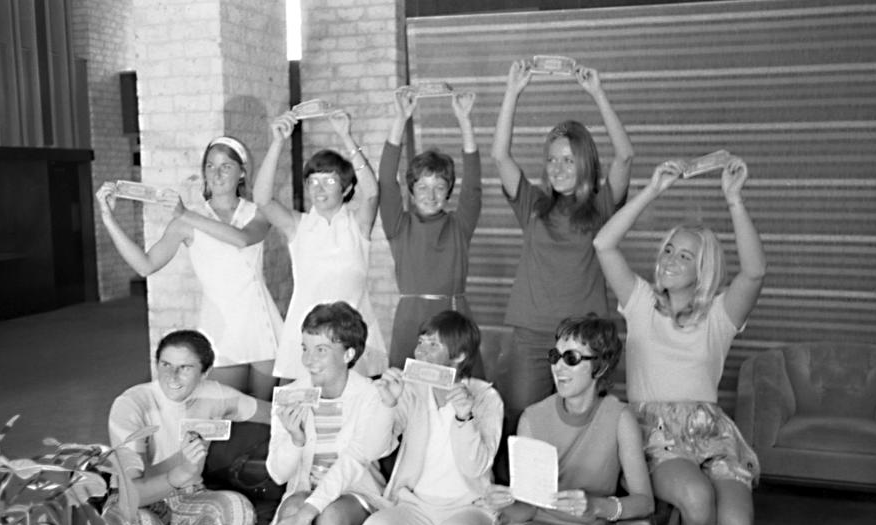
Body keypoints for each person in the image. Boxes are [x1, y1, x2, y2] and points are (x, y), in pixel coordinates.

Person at [592, 156, 765, 525]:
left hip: (711, 430)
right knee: (695, 498)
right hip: (656, 431)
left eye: (684, 255)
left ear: (704, 268)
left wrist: (733, 199)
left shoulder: (721, 316)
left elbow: (753, 272)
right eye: (668, 249)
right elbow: (604, 242)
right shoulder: (641, 303)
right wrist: (651, 191)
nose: (669, 259)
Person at [489, 59, 635, 458]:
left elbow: (625, 157)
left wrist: (597, 92)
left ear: (585, 163)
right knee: (520, 428)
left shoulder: (602, 205)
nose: (558, 168)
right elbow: (500, 155)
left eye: (568, 160)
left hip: (584, 341)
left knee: (584, 431)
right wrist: (512, 92)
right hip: (530, 337)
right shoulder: (533, 205)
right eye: (552, 160)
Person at [476, 314, 652, 525]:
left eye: (571, 359)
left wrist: (599, 506)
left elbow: (644, 501)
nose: (558, 367)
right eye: (555, 356)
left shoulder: (620, 417)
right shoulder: (533, 417)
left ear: (599, 367)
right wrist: (506, 500)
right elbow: (526, 509)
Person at [351, 310, 503, 525]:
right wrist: (387, 405)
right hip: (416, 508)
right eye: (420, 342)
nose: (420, 352)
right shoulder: (412, 390)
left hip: (470, 510)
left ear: (459, 355)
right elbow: (375, 448)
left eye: (432, 344)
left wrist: (464, 418)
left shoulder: (486, 398)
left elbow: (476, 467)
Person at [96, 136, 283, 400]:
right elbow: (145, 266)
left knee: (267, 415)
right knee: (223, 415)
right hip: (219, 329)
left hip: (263, 325)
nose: (216, 174)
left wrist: (185, 214)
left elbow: (241, 239)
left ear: (242, 172)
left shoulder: (258, 213)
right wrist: (108, 218)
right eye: (210, 166)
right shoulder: (185, 223)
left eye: (226, 166)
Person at [103, 329, 268, 525]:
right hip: (130, 507)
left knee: (237, 508)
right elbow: (131, 495)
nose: (172, 376)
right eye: (165, 365)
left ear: (204, 372)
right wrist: (178, 475)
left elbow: (273, 413)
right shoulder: (132, 403)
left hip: (187, 502)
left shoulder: (215, 394)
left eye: (185, 368)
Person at [266, 301, 395, 525]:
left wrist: (308, 512)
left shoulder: (371, 396)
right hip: (304, 489)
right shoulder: (288, 395)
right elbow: (276, 474)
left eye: (321, 350)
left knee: (331, 515)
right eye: (305, 348)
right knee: (291, 509)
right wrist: (295, 438)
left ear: (348, 354)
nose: (309, 360)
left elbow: (356, 460)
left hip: (356, 492)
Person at [253, 110, 387, 382]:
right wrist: (278, 142)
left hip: (354, 335)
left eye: (329, 180)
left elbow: (372, 193)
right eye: (313, 181)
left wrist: (346, 136)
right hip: (305, 335)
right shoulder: (297, 225)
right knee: (299, 415)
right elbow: (262, 199)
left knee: (356, 414)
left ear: (347, 188)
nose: (319, 188)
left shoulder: (357, 224)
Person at [379, 87, 483, 373]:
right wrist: (401, 119)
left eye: (439, 187)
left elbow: (473, 184)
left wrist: (465, 121)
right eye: (422, 187)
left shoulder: (459, 226)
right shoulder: (399, 225)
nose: (430, 194)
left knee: (461, 399)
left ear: (449, 191)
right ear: (411, 191)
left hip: (453, 323)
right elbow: (386, 181)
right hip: (410, 323)